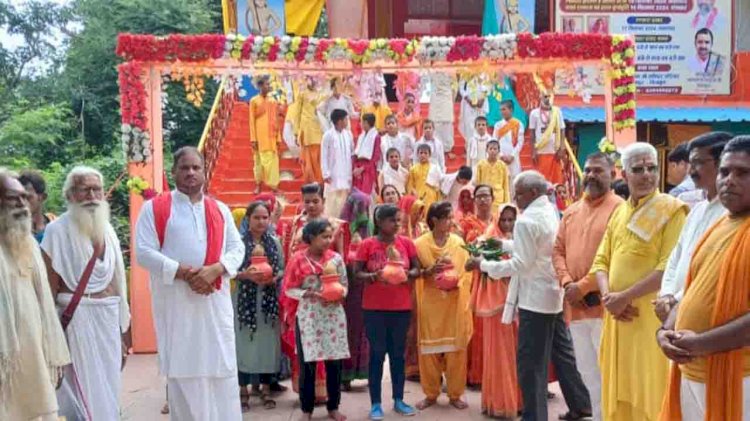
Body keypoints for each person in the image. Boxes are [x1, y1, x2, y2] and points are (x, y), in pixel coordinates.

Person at [135, 147, 245, 420]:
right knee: (184, 374)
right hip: (177, 308)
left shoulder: (219, 209)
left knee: (221, 372)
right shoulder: (155, 208)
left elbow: (236, 248)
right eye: (184, 168)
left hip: (213, 309)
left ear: (204, 171)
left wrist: (216, 269)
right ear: (173, 172)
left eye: (196, 167)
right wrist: (184, 273)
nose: (191, 173)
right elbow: (144, 252)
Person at [475, 170, 591, 421]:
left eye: (518, 193)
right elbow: (537, 248)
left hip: (535, 302)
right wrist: (503, 244)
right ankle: (581, 404)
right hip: (553, 295)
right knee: (562, 353)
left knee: (531, 365)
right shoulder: (549, 210)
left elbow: (520, 264)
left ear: (533, 192)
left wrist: (484, 265)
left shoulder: (527, 221)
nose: (515, 199)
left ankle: (535, 416)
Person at [589, 142, 688, 420]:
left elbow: (668, 266)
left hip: (648, 318)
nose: (647, 175)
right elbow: (600, 262)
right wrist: (610, 298)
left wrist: (624, 297)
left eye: (652, 168)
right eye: (638, 169)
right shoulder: (619, 212)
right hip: (616, 318)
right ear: (624, 174)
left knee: (651, 393)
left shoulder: (671, 210)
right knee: (617, 390)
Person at [658, 135, 750, 420]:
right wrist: (664, 332)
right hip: (693, 369)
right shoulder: (720, 223)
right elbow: (691, 287)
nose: (729, 180)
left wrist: (700, 343)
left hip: (739, 376)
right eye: (724, 171)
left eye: (743, 173)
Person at [40, 166, 130, 420]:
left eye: (96, 189)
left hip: (109, 320)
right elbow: (49, 289)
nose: (92, 195)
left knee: (109, 388)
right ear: (70, 195)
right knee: (81, 394)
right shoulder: (56, 232)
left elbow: (118, 285)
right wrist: (51, 337)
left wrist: (125, 331)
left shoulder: (109, 231)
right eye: (84, 189)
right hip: (77, 321)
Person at [552, 152, 624, 421]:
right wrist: (568, 283)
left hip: (605, 308)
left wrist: (582, 287)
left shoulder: (620, 209)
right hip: (575, 307)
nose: (591, 175)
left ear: (613, 175)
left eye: (598, 171)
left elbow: (617, 255)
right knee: (586, 373)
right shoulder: (570, 211)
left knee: (611, 374)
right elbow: (557, 251)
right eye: (588, 170)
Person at [0, 169, 70, 421]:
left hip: (34, 357)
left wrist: (53, 354)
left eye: (23, 197)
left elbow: (44, 305)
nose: (21, 204)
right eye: (12, 198)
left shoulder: (27, 243)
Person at [653, 132, 733, 323]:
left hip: (708, 314)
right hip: (679, 311)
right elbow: (676, 256)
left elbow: (712, 271)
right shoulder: (697, 209)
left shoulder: (730, 214)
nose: (691, 171)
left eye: (698, 163)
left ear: (721, 163)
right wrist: (666, 294)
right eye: (690, 163)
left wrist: (676, 299)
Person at [353, 204, 420, 419]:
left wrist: (405, 273)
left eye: (398, 220)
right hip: (374, 308)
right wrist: (375, 276)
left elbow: (417, 269)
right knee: (377, 354)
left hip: (401, 307)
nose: (397, 224)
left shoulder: (406, 244)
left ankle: (399, 400)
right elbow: (356, 274)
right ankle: (375, 404)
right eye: (392, 220)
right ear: (380, 222)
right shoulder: (367, 245)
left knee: (398, 355)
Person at [284, 219, 350, 421]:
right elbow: (289, 288)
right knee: (308, 364)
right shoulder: (297, 259)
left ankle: (333, 407)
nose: (328, 241)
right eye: (324, 237)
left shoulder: (336, 259)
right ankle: (306, 409)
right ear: (311, 238)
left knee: (334, 362)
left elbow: (345, 285)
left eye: (330, 236)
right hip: (309, 316)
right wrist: (309, 294)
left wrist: (339, 294)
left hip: (332, 316)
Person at [414, 201, 473, 410]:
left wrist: (457, 281)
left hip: (455, 302)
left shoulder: (458, 242)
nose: (451, 221)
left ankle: (455, 394)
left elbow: (467, 271)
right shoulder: (420, 244)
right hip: (431, 302)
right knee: (429, 350)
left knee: (456, 350)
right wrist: (429, 271)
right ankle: (431, 394)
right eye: (447, 218)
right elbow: (415, 273)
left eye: (451, 217)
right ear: (434, 221)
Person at [469, 200, 522, 418]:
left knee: (516, 354)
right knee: (500, 354)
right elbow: (477, 266)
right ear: (496, 219)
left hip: (518, 302)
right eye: (504, 219)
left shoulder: (519, 238)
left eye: (511, 219)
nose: (508, 224)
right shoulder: (489, 238)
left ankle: (516, 400)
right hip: (498, 304)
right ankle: (501, 403)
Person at [233, 201, 285, 411]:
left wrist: (274, 278)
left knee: (267, 346)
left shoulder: (275, 242)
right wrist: (245, 275)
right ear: (248, 219)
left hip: (268, 301)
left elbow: (281, 268)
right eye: (257, 217)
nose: (261, 221)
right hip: (244, 301)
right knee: (243, 344)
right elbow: (229, 270)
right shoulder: (237, 243)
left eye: (265, 217)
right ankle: (243, 391)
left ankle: (265, 390)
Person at [340, 190, 372, 388]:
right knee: (349, 331)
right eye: (358, 207)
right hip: (347, 289)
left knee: (366, 331)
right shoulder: (342, 229)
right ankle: (346, 376)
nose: (362, 211)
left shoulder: (370, 227)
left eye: (365, 207)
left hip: (366, 287)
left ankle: (365, 371)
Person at [250, 75, 284, 194]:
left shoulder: (273, 101)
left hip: (271, 136)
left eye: (269, 84)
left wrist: (278, 137)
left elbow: (275, 120)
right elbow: (251, 121)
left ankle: (274, 186)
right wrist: (253, 139)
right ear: (259, 86)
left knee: (272, 162)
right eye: (266, 84)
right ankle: (258, 184)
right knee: (259, 162)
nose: (268, 86)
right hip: (260, 136)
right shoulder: (254, 101)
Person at [288, 77, 325, 184]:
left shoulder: (321, 95)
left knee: (318, 158)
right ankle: (311, 182)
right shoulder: (302, 94)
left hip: (319, 131)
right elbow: (297, 113)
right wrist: (296, 132)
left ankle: (320, 183)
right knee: (308, 160)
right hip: (306, 131)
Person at [322, 109, 355, 218]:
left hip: (346, 172)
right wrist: (325, 173)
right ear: (340, 121)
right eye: (346, 119)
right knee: (333, 201)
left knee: (345, 199)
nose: (347, 121)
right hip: (333, 174)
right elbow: (324, 155)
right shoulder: (328, 135)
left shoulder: (348, 134)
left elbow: (352, 153)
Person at [529, 93, 566, 185]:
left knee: (556, 180)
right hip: (541, 151)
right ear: (540, 97)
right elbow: (532, 134)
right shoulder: (534, 113)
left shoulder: (557, 112)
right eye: (545, 96)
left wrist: (562, 147)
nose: (548, 99)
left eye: (550, 96)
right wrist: (533, 151)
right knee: (542, 180)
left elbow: (562, 130)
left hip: (555, 151)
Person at [493, 100, 525, 192]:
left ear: (511, 110)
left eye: (504, 109)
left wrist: (512, 155)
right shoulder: (498, 125)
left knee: (514, 181)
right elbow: (494, 141)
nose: (502, 112)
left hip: (513, 158)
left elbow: (520, 142)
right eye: (500, 110)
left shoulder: (518, 124)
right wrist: (502, 155)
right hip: (501, 157)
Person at [18, 170, 55, 243]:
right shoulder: (10, 231)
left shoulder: (57, 226)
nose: (22, 202)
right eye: (18, 198)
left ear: (43, 197)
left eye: (27, 197)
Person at [476, 140, 511, 213]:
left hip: (498, 197)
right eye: (490, 149)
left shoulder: (503, 165)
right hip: (485, 197)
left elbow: (506, 185)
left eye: (495, 149)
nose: (492, 151)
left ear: (499, 151)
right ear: (486, 150)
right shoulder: (481, 164)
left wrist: (507, 202)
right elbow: (478, 183)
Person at [406, 144, 442, 212]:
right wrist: (413, 193)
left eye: (425, 153)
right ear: (417, 154)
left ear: (429, 155)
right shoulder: (413, 169)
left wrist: (438, 199)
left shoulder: (435, 168)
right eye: (421, 153)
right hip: (418, 196)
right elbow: (410, 185)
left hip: (432, 196)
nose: (423, 155)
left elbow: (438, 184)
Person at [353, 113, 382, 196]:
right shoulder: (361, 136)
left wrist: (362, 168)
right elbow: (356, 153)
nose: (361, 124)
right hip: (358, 167)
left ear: (366, 123)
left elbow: (375, 157)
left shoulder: (376, 137)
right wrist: (355, 167)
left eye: (362, 122)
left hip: (368, 168)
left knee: (367, 192)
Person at [428, 72, 455, 157]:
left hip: (446, 98)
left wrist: (452, 100)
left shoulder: (451, 70)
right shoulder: (432, 69)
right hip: (435, 98)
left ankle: (447, 150)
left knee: (447, 126)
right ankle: (435, 150)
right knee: (435, 125)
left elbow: (455, 87)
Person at [458, 78, 489, 147]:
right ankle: (470, 150)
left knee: (481, 125)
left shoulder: (484, 69)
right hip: (468, 104)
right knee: (469, 127)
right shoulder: (464, 71)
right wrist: (469, 100)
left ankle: (481, 149)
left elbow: (487, 86)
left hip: (481, 103)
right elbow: (461, 88)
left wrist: (482, 100)